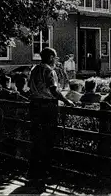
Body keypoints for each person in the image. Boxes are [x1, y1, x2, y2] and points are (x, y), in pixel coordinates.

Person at [27, 47, 74, 186]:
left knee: (36, 138)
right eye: (55, 57)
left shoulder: (34, 69)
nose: (56, 60)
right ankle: (45, 173)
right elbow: (53, 89)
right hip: (47, 106)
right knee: (48, 139)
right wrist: (66, 101)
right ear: (51, 57)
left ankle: (33, 172)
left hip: (34, 105)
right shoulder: (49, 70)